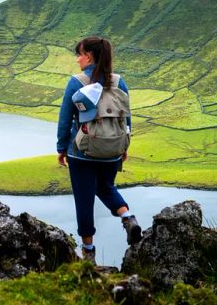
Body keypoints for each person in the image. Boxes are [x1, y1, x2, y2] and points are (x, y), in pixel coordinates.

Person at [56, 36, 142, 265]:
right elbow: (126, 118)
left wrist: (61, 147)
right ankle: (127, 218)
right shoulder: (118, 81)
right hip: (113, 149)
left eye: (79, 54)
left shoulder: (77, 82)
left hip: (81, 152)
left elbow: (65, 119)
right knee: (106, 187)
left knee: (84, 200)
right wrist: (124, 145)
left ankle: (89, 253)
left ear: (90, 55)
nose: (77, 59)